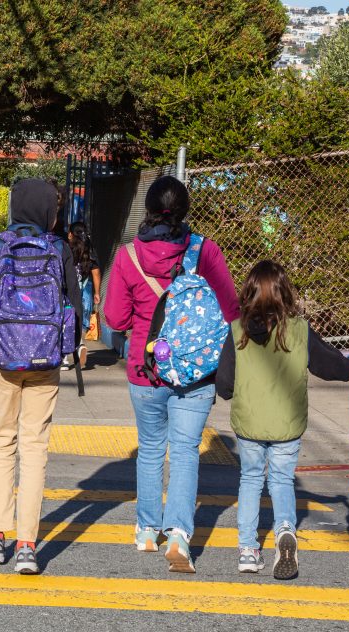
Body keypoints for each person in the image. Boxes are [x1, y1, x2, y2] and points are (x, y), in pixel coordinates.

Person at [103, 175, 239, 573]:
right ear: (185, 210)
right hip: (196, 371)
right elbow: (230, 308)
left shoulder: (128, 256)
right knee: (184, 452)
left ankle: (147, 530)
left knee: (150, 449)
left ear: (147, 209)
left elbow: (114, 318)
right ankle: (179, 535)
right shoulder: (205, 250)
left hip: (145, 370)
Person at [216, 260, 349, 580]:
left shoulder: (237, 330)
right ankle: (285, 530)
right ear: (284, 293)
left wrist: (233, 394)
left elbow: (224, 382)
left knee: (251, 480)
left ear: (249, 291)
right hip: (288, 424)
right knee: (281, 479)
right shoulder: (298, 330)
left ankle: (248, 551)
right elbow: (328, 364)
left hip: (250, 424)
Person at [0, 179, 82, 575]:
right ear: (49, 210)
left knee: (2, 442)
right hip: (45, 363)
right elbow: (77, 311)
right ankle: (29, 545)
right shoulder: (59, 248)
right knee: (34, 448)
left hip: (3, 364)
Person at [63, 221, 100, 370]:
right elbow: (96, 272)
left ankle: (64, 359)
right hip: (84, 291)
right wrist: (97, 293)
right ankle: (80, 344)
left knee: (65, 322)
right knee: (80, 322)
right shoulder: (89, 250)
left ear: (71, 234)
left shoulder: (66, 249)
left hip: (68, 291)